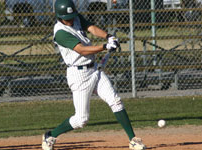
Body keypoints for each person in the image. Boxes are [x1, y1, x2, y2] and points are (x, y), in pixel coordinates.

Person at [42, 0, 146, 150]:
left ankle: (133, 139)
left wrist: (108, 37)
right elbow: (82, 50)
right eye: (67, 18)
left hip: (94, 70)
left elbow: (92, 28)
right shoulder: (60, 33)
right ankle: (50, 135)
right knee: (81, 119)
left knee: (115, 101)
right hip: (79, 75)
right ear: (59, 17)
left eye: (72, 17)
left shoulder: (76, 18)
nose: (71, 20)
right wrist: (105, 47)